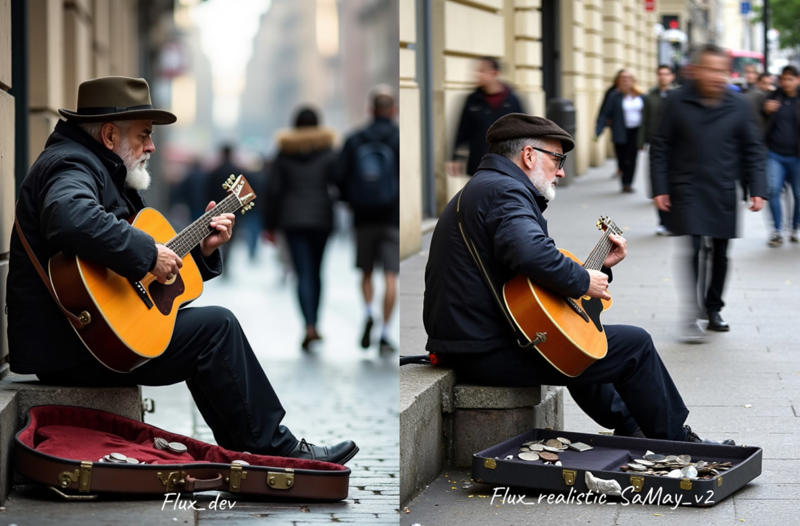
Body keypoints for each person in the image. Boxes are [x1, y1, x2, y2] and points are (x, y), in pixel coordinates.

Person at [7, 76, 357, 464]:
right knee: (216, 328)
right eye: (144, 135)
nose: (152, 146)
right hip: (71, 342)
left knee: (209, 330)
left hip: (87, 334)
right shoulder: (71, 163)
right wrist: (147, 252)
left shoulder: (103, 168)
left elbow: (137, 275)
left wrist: (202, 250)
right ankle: (274, 449)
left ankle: (251, 450)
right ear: (109, 135)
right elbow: (69, 217)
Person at [423, 112, 727, 443]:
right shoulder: (504, 192)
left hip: (475, 340)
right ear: (528, 155)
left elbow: (529, 281)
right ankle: (679, 442)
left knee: (580, 339)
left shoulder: (489, 187)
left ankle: (633, 427)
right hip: (484, 349)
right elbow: (530, 253)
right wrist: (583, 280)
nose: (561, 171)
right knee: (635, 344)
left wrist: (599, 269)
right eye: (557, 159)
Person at [650, 45, 767, 341]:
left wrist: (758, 188)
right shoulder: (677, 101)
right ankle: (692, 312)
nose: (718, 77)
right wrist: (660, 188)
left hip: (723, 188)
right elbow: (660, 146)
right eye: (712, 70)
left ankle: (713, 308)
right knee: (692, 248)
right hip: (686, 187)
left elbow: (752, 148)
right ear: (697, 70)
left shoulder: (738, 105)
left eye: (722, 71)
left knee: (720, 251)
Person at [265, 106, 337, 350]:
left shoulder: (284, 152)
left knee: (302, 273)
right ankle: (315, 324)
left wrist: (270, 225)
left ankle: (307, 325)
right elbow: (339, 181)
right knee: (317, 272)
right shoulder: (327, 151)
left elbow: (273, 191)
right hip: (321, 218)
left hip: (292, 219)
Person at [338, 88, 399, 353]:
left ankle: (367, 312)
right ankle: (385, 332)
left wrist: (351, 202)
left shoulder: (355, 139)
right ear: (393, 110)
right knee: (390, 276)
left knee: (365, 271)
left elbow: (339, 176)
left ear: (370, 110)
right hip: (392, 216)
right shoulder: (399, 138)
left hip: (363, 216)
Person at [448, 57, 525, 177]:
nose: (477, 75)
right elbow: (462, 130)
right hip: (479, 164)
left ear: (495, 73)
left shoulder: (512, 100)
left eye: (482, 71)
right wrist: (455, 158)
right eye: (477, 71)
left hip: (507, 164)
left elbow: (524, 131)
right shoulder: (472, 100)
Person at [762, 65, 800, 247]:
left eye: (790, 79)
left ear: (798, 80)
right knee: (773, 190)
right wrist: (765, 111)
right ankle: (776, 230)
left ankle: (795, 228)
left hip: (797, 157)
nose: (786, 83)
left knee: (799, 194)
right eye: (783, 79)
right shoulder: (773, 97)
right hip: (774, 154)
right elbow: (758, 120)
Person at [640, 64, 678, 235]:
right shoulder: (650, 97)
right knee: (658, 182)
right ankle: (663, 221)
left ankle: (675, 219)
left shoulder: (679, 96)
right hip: (656, 144)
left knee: (674, 182)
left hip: (677, 145)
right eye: (660, 74)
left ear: (672, 76)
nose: (663, 77)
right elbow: (644, 120)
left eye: (666, 74)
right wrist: (642, 141)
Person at [595, 69, 645, 193]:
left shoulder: (641, 95)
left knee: (632, 157)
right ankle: (623, 172)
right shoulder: (614, 96)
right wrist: (598, 130)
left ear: (633, 80)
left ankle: (627, 183)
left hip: (636, 131)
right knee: (622, 157)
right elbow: (604, 113)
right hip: (619, 130)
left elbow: (648, 114)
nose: (625, 81)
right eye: (623, 78)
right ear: (618, 81)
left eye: (628, 78)